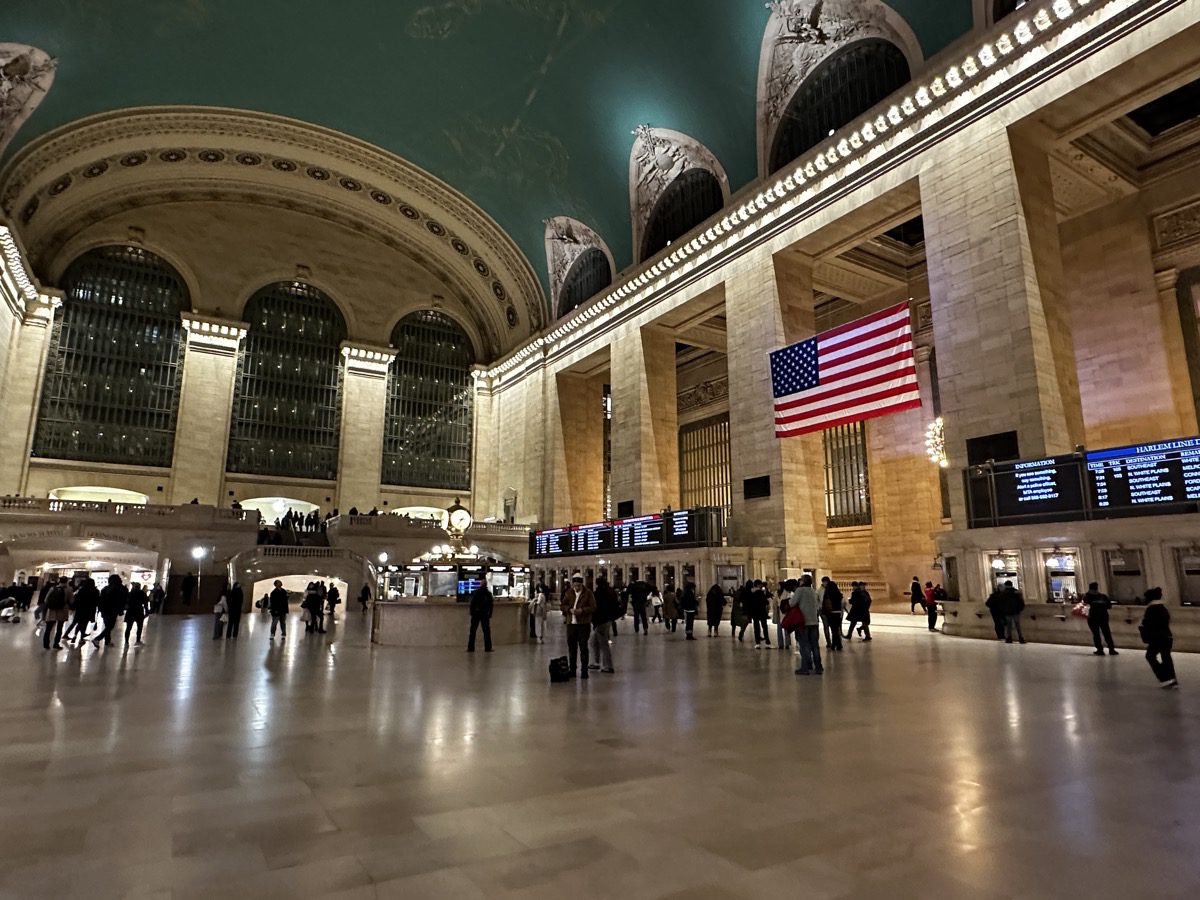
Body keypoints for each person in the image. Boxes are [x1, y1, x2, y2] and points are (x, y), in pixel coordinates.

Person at [560, 573, 595, 678]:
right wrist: (568, 610)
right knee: (572, 647)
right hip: (571, 624)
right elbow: (562, 605)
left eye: (578, 586)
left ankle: (584, 670)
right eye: (575, 585)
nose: (576, 588)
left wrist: (582, 611)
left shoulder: (588, 593)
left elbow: (593, 607)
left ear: (581, 585)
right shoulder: (569, 592)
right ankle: (572, 670)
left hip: (583, 624)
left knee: (583, 647)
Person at [1140, 587, 1177, 688]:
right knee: (1166, 657)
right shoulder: (1163, 607)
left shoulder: (1151, 609)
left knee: (1150, 656)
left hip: (1157, 638)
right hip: (1167, 636)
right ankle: (1172, 680)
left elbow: (1149, 624)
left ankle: (1164, 677)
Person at [792, 575, 823, 675]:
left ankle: (805, 667)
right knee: (814, 645)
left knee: (804, 645)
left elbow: (792, 603)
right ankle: (818, 667)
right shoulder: (813, 591)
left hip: (804, 621)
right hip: (814, 621)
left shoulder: (800, 591)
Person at [589, 575, 619, 673]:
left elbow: (595, 607)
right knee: (594, 641)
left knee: (603, 644)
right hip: (608, 619)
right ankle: (596, 662)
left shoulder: (599, 593)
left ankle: (608, 666)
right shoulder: (611, 591)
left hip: (601, 620)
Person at [1083, 581, 1117, 656]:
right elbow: (1109, 606)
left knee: (1096, 634)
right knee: (1107, 633)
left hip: (1092, 618)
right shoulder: (1103, 596)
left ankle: (1100, 649)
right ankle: (1111, 649)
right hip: (1104, 617)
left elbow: (1084, 606)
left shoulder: (1087, 596)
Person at [93, 574, 127, 647]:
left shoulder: (105, 588)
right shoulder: (119, 588)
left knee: (107, 626)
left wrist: (100, 610)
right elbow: (122, 600)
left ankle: (107, 641)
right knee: (110, 627)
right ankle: (97, 639)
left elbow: (100, 600)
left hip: (104, 610)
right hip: (113, 610)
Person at [65, 577, 99, 645]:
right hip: (89, 610)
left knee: (77, 622)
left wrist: (73, 608)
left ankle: (74, 635)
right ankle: (81, 638)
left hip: (80, 609)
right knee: (84, 624)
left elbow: (77, 600)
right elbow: (97, 602)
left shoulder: (82, 590)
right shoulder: (95, 591)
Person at [42, 577, 71, 650]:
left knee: (48, 629)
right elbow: (71, 601)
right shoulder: (68, 590)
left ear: (59, 581)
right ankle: (56, 644)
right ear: (66, 581)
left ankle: (46, 644)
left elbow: (46, 600)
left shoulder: (53, 588)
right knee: (59, 629)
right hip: (62, 611)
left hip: (52, 611)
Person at [467, 581, 494, 652]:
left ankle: (471, 648)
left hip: (476, 614)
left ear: (480, 585)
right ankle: (488, 648)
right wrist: (490, 614)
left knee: (473, 631)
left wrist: (472, 612)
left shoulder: (476, 592)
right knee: (486, 631)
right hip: (484, 614)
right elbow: (491, 605)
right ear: (486, 585)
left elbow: (472, 603)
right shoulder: (488, 593)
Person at [819, 578, 843, 649]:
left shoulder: (828, 594)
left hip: (831, 613)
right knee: (836, 629)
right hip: (838, 612)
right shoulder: (838, 594)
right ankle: (837, 644)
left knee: (833, 629)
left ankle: (835, 644)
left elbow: (824, 604)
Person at [772, 585, 791, 651]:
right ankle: (780, 644)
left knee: (786, 628)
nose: (778, 587)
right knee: (779, 629)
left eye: (779, 585)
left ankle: (787, 643)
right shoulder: (776, 593)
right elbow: (774, 601)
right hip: (778, 611)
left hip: (785, 611)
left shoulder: (786, 593)